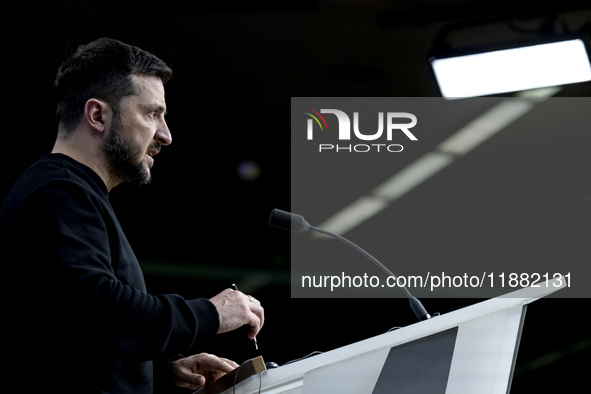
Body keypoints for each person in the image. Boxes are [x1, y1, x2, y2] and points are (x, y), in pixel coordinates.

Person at [0, 37, 264, 393]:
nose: (165, 134)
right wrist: (211, 313)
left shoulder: (72, 193)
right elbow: (99, 311)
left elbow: (72, 329)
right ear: (97, 115)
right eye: (152, 113)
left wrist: (161, 367)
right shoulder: (57, 192)